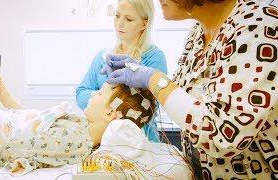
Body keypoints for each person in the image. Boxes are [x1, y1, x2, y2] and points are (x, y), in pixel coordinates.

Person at [100, 0, 278, 179]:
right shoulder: (197, 33)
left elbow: (223, 136)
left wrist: (152, 78)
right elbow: (183, 99)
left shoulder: (259, 26)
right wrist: (140, 76)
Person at [0, 82, 156, 175]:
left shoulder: (72, 141)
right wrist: (9, 101)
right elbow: (38, 124)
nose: (93, 94)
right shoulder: (81, 125)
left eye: (100, 93)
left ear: (110, 115)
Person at [76, 0, 167, 142]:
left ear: (144, 23)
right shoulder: (103, 57)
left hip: (140, 140)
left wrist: (107, 100)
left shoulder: (155, 57)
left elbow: (151, 107)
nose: (119, 24)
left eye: (128, 19)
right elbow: (81, 93)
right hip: (102, 139)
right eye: (117, 16)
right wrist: (105, 97)